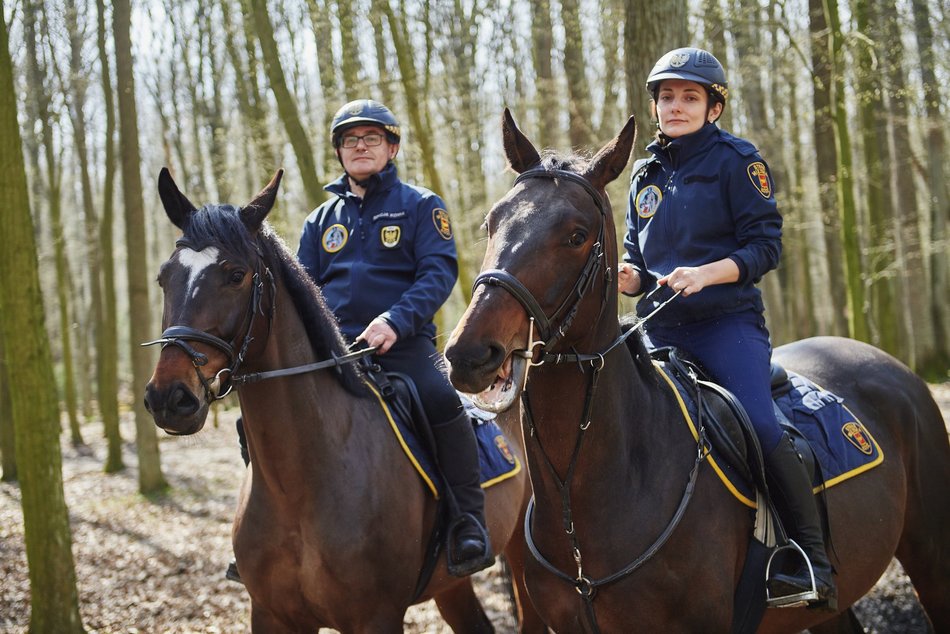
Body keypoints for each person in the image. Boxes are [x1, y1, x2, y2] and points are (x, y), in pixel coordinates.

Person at [617, 48, 836, 609]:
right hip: (657, 328)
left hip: (725, 324)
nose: (675, 106)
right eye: (667, 97)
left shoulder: (739, 160)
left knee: (760, 425)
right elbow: (637, 262)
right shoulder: (645, 172)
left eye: (690, 97)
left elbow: (766, 247)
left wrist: (706, 275)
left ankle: (809, 558)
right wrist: (624, 276)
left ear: (714, 107)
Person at [296, 98, 493, 577]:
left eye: (371, 139)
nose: (359, 147)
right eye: (350, 140)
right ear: (339, 152)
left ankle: (468, 521)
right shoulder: (319, 222)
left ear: (393, 147)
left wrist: (393, 322)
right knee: (264, 414)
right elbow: (303, 289)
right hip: (334, 352)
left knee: (442, 400)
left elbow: (437, 272)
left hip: (403, 347)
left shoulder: (422, 206)